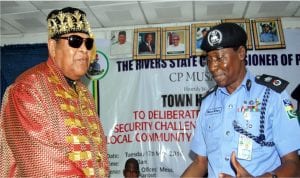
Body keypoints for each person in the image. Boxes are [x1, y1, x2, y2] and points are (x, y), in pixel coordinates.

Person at [0, 7, 110, 177]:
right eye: (74, 41)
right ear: (52, 46)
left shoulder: (84, 93)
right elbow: (45, 168)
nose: (84, 49)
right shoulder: (28, 89)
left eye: (88, 43)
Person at [181, 23, 300, 177]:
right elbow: (200, 163)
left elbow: (294, 164)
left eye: (220, 58)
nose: (212, 67)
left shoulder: (272, 95)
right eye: (209, 60)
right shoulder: (208, 102)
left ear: (241, 53)